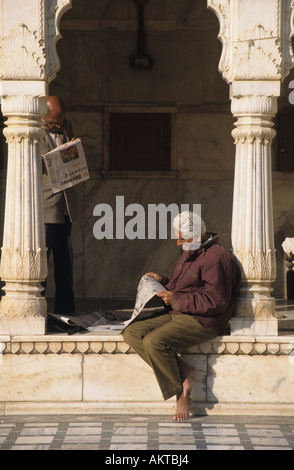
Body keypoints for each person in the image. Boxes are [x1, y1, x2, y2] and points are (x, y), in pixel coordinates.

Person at [123, 211, 241, 421]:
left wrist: (176, 299)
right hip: (180, 310)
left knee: (154, 341)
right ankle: (183, 370)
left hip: (204, 320)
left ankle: (182, 391)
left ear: (196, 237)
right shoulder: (192, 249)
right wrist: (164, 281)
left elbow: (217, 301)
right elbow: (184, 285)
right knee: (132, 332)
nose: (178, 244)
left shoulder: (217, 258)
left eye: (181, 238)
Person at [40, 96, 76, 314]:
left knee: (66, 264)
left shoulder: (66, 126)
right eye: (53, 123)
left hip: (65, 206)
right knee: (42, 264)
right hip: (45, 206)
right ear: (43, 117)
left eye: (60, 122)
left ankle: (67, 312)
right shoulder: (34, 129)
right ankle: (38, 311)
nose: (58, 126)